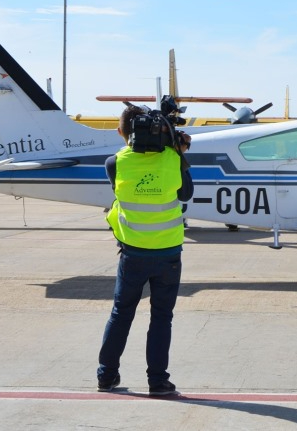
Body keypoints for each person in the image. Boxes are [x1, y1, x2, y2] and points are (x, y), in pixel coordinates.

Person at [97, 105, 193, 396]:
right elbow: (186, 194)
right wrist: (179, 153)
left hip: (133, 253)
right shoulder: (172, 158)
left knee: (121, 313)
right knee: (162, 317)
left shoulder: (114, 163)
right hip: (167, 253)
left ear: (121, 132)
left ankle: (106, 376)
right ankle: (158, 381)